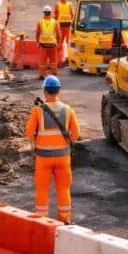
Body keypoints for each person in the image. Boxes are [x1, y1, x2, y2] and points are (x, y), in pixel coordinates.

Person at [25, 76, 79, 223]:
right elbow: (75, 136)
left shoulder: (38, 111)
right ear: (59, 90)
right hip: (63, 158)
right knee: (63, 189)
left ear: (45, 91)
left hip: (43, 158)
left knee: (42, 190)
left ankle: (42, 220)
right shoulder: (68, 110)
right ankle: (64, 219)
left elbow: (29, 133)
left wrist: (38, 135)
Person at [36, 6, 59, 78]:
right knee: (53, 62)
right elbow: (59, 34)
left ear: (44, 13)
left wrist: (38, 42)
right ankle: (54, 73)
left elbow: (37, 33)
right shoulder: (55, 22)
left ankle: (42, 74)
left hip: (43, 46)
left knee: (42, 62)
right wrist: (57, 43)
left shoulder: (40, 22)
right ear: (50, 13)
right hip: (52, 45)